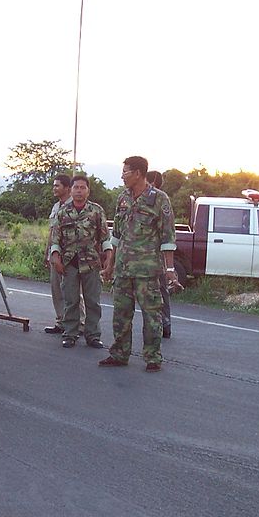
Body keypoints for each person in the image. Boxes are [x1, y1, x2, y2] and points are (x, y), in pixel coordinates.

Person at [99, 156, 177, 372]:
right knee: (121, 314)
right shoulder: (123, 198)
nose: (122, 176)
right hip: (123, 268)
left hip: (147, 270)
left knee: (152, 315)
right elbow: (117, 235)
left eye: (125, 172)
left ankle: (153, 357)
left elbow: (168, 238)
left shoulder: (159, 199)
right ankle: (119, 353)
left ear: (138, 173)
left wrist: (170, 270)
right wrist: (109, 263)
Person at [49, 175, 113, 349]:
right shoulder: (62, 212)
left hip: (91, 263)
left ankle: (93, 335)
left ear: (88, 190)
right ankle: (70, 333)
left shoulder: (96, 211)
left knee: (93, 301)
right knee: (71, 300)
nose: (79, 191)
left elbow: (105, 237)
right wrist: (55, 258)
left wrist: (108, 256)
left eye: (82, 187)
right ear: (71, 190)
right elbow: (56, 239)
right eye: (76, 187)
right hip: (69, 263)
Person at [44, 174, 71, 334]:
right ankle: (61, 321)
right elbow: (52, 232)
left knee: (71, 290)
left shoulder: (72, 206)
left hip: (68, 254)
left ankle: (78, 323)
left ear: (67, 188)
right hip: (54, 253)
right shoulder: (56, 207)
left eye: (57, 185)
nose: (54, 188)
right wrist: (47, 252)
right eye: (54, 185)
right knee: (56, 289)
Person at [146, 170, 172, 339]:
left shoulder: (161, 200)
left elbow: (167, 234)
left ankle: (165, 322)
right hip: (138, 259)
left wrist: (169, 266)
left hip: (156, 257)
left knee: (160, 290)